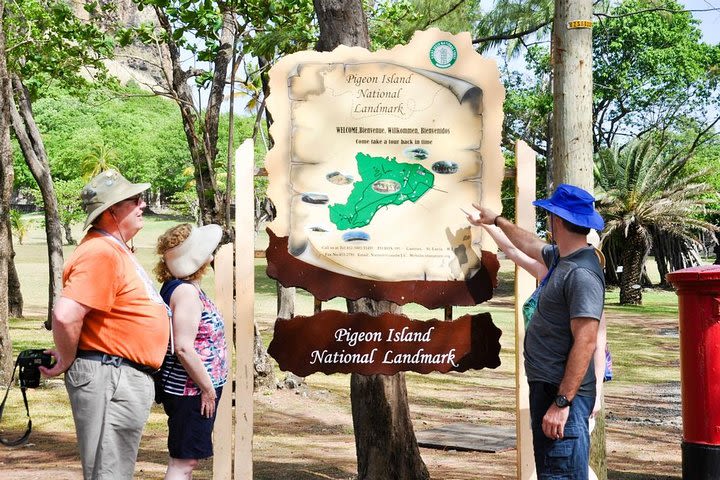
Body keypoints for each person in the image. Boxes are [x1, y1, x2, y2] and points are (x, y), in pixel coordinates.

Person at [468, 183, 605, 480]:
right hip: (548, 391)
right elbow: (527, 243)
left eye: (549, 216)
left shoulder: (581, 273)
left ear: (556, 220)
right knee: (551, 471)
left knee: (560, 474)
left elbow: (587, 340)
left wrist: (562, 403)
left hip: (562, 398)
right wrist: (496, 220)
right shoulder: (561, 258)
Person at [40, 169, 170, 480]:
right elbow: (65, 314)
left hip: (118, 375)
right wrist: (67, 356)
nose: (143, 204)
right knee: (107, 472)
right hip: (110, 376)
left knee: (113, 470)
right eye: (134, 200)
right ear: (112, 211)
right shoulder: (101, 252)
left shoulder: (113, 249)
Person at [153, 223, 229, 480]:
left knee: (188, 459)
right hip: (191, 390)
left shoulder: (184, 286)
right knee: (183, 462)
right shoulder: (185, 293)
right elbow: (184, 348)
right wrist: (207, 389)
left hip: (192, 388)